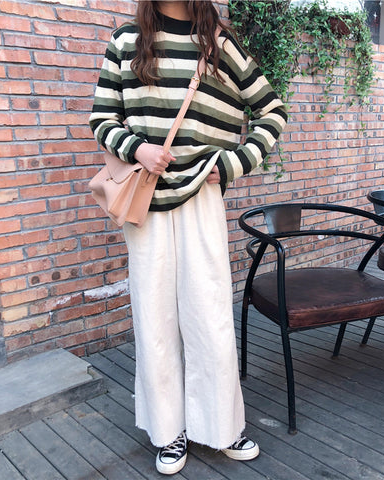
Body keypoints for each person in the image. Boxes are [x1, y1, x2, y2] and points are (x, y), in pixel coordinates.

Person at [89, 0, 287, 475]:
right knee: (154, 319)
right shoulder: (127, 40)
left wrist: (233, 162)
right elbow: (101, 118)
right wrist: (138, 148)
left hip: (201, 196)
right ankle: (168, 431)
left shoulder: (219, 41)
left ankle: (221, 426)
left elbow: (272, 110)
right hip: (145, 202)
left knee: (209, 316)